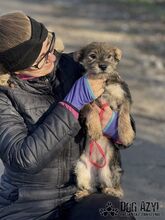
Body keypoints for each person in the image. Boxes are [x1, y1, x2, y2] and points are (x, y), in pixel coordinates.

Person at [0, 11, 136, 220]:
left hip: (82, 193)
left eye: (50, 44)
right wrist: (71, 104)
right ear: (17, 69)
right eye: (42, 58)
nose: (53, 57)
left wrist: (111, 124)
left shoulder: (72, 66)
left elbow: (126, 132)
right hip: (27, 207)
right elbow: (23, 159)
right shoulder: (4, 96)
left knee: (113, 214)